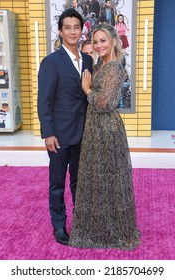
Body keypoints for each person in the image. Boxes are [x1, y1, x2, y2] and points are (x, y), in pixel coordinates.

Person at [69, 23, 141, 249]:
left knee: (108, 178)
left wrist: (87, 89)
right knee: (97, 178)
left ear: (113, 41)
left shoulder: (114, 68)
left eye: (103, 41)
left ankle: (112, 232)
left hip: (107, 130)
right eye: (96, 41)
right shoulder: (100, 64)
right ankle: (98, 228)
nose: (99, 45)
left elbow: (104, 103)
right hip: (94, 128)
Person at [37, 9, 93, 245]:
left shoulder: (88, 59)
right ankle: (59, 226)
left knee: (80, 182)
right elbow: (44, 100)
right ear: (60, 31)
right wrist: (48, 133)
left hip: (84, 133)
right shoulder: (51, 62)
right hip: (59, 135)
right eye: (67, 27)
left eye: (76, 27)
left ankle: (81, 222)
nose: (72, 31)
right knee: (57, 183)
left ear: (82, 31)